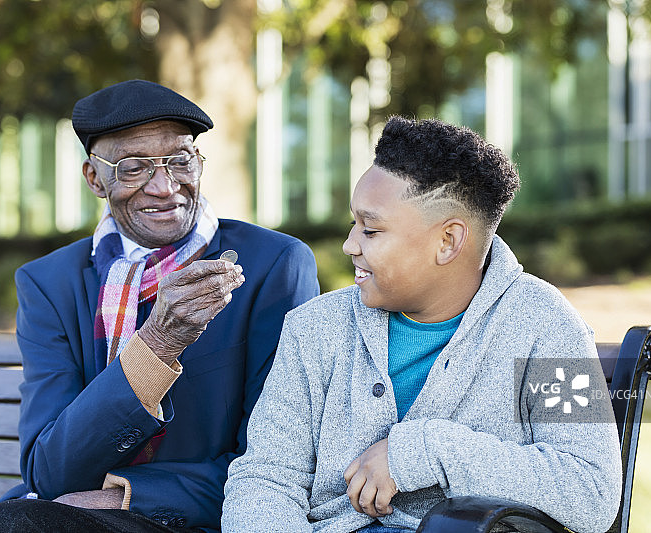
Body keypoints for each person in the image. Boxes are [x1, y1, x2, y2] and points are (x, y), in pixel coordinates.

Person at [0, 79, 320, 533]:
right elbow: (49, 471)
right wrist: (157, 345)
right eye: (133, 167)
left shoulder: (273, 265)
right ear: (94, 178)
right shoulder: (48, 283)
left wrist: (122, 496)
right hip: (55, 509)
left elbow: (279, 462)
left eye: (181, 161)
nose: (164, 187)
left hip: (188, 518)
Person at [221, 116, 622, 533]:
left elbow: (589, 490)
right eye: (353, 224)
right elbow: (265, 479)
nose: (349, 244)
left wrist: (426, 450)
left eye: (371, 230)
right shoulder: (314, 328)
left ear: (447, 241)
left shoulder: (548, 326)